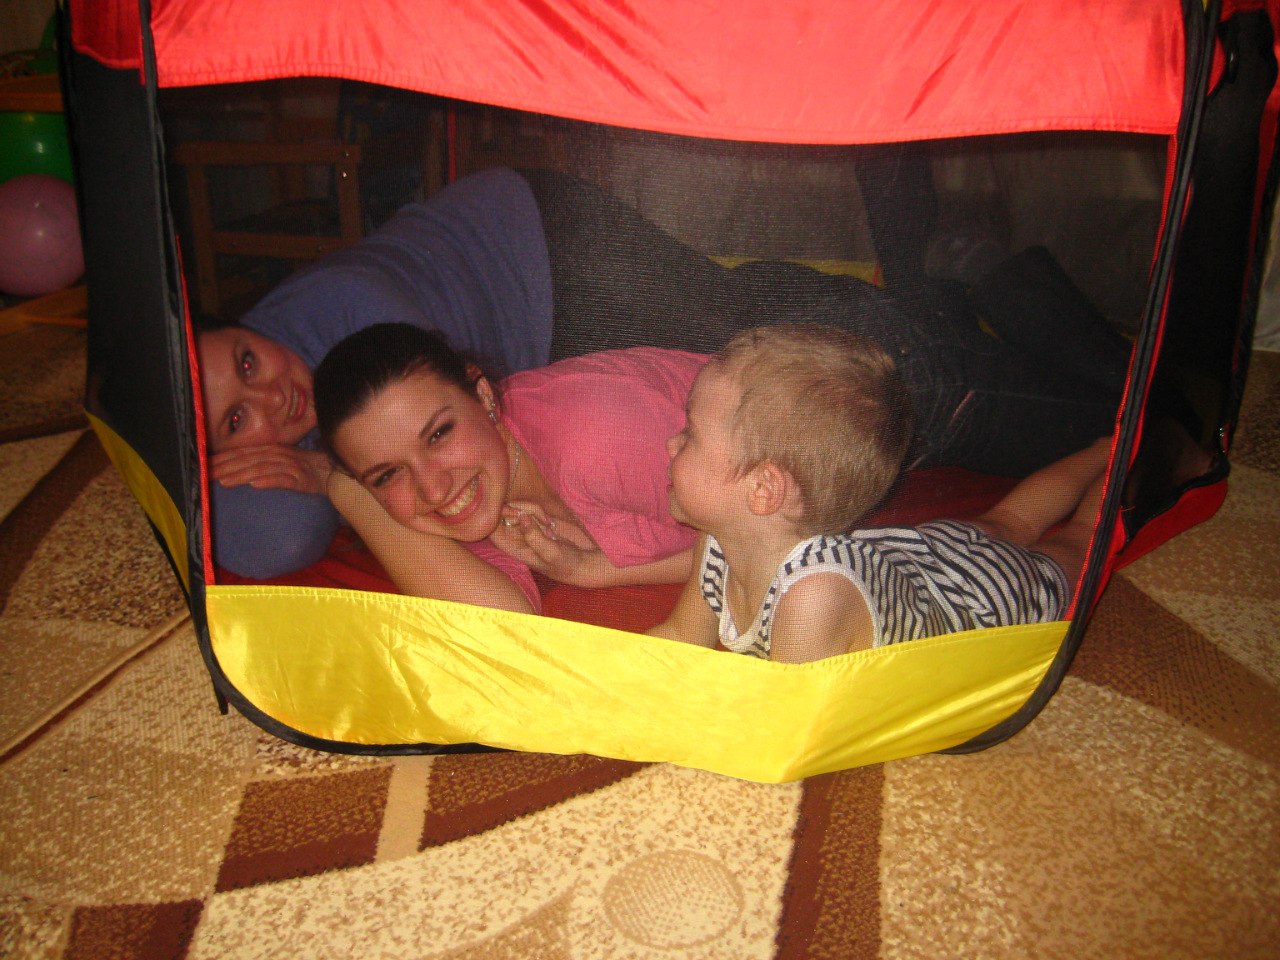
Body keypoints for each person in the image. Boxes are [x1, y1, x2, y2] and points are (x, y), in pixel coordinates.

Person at [201, 165, 1126, 579]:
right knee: (761, 339)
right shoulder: (421, 456)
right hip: (537, 384)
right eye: (237, 421)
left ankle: (1113, 391)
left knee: (859, 393)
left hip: (545, 250)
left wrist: (324, 468)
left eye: (244, 360)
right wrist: (331, 476)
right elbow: (266, 536)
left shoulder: (350, 320)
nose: (271, 394)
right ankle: (987, 293)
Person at [648, 324, 1111, 663]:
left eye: (691, 435)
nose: (670, 443)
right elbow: (681, 638)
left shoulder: (812, 598)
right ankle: (1104, 448)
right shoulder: (718, 542)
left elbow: (781, 727)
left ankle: (1119, 451)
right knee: (1007, 521)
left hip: (981, 603)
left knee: (1073, 542)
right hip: (921, 558)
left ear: (764, 489)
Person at [312, 322, 709, 613]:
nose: (433, 489)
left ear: (484, 396)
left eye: (438, 435)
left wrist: (594, 571)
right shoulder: (473, 502)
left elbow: (748, 541)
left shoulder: (595, 439)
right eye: (386, 475)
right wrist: (347, 490)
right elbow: (500, 620)